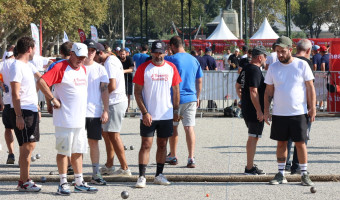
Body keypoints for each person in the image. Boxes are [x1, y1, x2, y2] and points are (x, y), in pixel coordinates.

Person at [37, 43, 98, 195]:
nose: (81, 60)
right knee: (64, 151)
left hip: (79, 119)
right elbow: (42, 82)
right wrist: (51, 99)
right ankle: (63, 182)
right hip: (64, 118)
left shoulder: (83, 68)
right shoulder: (60, 67)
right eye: (78, 57)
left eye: (83, 58)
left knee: (78, 151)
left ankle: (79, 182)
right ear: (71, 54)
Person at [264, 36, 316, 186]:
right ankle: (281, 174)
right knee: (281, 143)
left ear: (290, 49)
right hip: (280, 113)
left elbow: (310, 87)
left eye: (283, 51)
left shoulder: (302, 65)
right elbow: (268, 91)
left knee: (300, 143)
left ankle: (304, 174)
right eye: (277, 51)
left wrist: (312, 108)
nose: (280, 54)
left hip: (299, 112)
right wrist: (267, 110)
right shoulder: (273, 67)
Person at [133, 40, 181, 188]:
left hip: (166, 114)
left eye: (161, 52)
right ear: (151, 53)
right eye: (155, 52)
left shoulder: (171, 67)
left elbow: (176, 91)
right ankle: (141, 177)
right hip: (149, 115)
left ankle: (159, 175)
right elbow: (137, 93)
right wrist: (145, 112)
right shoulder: (143, 68)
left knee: (162, 144)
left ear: (165, 53)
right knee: (146, 145)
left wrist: (175, 111)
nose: (158, 55)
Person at [164, 36, 203, 168]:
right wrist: (198, 96)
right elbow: (199, 80)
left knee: (174, 127)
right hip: (191, 97)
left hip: (175, 98)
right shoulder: (194, 59)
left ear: (172, 46)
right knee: (189, 127)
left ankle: (173, 155)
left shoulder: (170, 59)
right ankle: (191, 157)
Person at [10, 37, 41, 192]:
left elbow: (32, 89)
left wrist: (38, 108)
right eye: (34, 48)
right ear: (29, 49)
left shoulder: (28, 66)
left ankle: (24, 179)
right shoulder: (17, 66)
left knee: (28, 146)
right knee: (27, 147)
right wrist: (18, 116)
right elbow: (15, 94)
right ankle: (24, 181)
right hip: (23, 111)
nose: (34, 51)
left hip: (31, 110)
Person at [95, 43, 131, 176]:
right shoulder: (111, 60)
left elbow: (112, 85)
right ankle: (109, 165)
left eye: (94, 56)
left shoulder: (110, 62)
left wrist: (100, 98)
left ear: (100, 53)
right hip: (113, 102)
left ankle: (125, 168)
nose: (92, 59)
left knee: (114, 135)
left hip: (115, 102)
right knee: (107, 134)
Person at [235, 46, 269, 175]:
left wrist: (242, 99)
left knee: (254, 137)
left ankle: (250, 164)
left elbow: (238, 86)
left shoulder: (246, 68)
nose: (266, 59)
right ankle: (249, 167)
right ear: (260, 57)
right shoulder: (254, 70)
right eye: (265, 57)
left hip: (247, 107)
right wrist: (259, 111)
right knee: (253, 137)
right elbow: (253, 91)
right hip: (254, 109)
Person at [83, 39, 110, 185]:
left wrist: (106, 110)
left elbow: (104, 90)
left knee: (94, 143)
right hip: (78, 112)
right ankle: (77, 175)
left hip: (94, 111)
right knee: (77, 144)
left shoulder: (100, 69)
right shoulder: (77, 67)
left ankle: (96, 173)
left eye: (93, 50)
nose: (90, 53)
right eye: (88, 50)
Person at [285, 39, 313, 174]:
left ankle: (284, 164)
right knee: (301, 138)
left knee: (286, 138)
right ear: (308, 51)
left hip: (286, 105)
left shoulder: (288, 60)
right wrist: (311, 107)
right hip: (301, 106)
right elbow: (309, 87)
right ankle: (297, 166)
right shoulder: (306, 63)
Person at [0, 50, 16, 164]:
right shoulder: (20, 64)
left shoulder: (1, 65)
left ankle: (11, 153)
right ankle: (23, 158)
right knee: (22, 131)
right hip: (21, 102)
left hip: (7, 102)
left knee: (8, 129)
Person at [319, 45, 329, 111]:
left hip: (326, 76)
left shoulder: (323, 57)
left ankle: (321, 106)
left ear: (321, 52)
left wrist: (323, 73)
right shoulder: (330, 55)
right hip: (331, 75)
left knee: (323, 91)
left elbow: (323, 65)